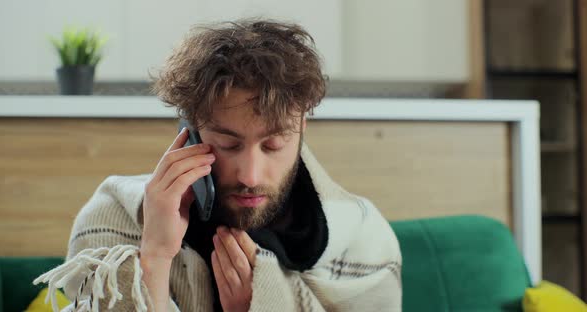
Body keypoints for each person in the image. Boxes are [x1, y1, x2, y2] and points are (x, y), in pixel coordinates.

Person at [34, 19, 402, 311]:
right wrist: (154, 259)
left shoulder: (364, 240)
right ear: (190, 132)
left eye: (273, 144)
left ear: (302, 125)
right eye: (228, 144)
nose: (251, 175)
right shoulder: (111, 217)